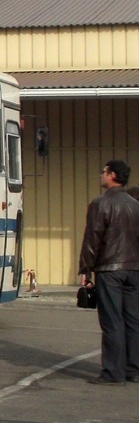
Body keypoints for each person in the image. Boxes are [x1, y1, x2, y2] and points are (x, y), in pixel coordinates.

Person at [78, 159, 139, 384]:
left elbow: (93, 238)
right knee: (133, 320)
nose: (101, 175)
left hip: (110, 268)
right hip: (134, 268)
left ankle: (113, 372)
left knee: (112, 320)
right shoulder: (135, 205)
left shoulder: (100, 204)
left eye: (103, 171)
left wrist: (86, 267)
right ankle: (134, 370)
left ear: (112, 175)